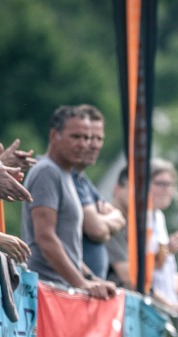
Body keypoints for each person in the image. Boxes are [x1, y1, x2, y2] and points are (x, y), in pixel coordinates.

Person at [21, 105, 116, 299]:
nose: (84, 144)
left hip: (62, 291)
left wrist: (91, 278)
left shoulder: (66, 174)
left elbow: (67, 247)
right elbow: (45, 237)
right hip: (47, 291)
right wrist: (81, 283)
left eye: (88, 138)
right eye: (76, 136)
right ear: (54, 135)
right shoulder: (47, 172)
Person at [73, 105, 126, 278]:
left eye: (99, 139)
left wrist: (100, 221)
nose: (94, 145)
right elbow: (96, 230)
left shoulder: (84, 181)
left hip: (87, 290)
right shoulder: (67, 177)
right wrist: (100, 222)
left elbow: (119, 218)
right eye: (88, 138)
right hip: (68, 290)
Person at [148, 158, 178, 316]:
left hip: (165, 307)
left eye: (170, 185)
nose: (167, 190)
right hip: (151, 310)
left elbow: (162, 266)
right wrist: (168, 249)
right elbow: (139, 272)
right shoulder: (140, 219)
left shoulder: (158, 217)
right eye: (160, 184)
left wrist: (175, 277)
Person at [105, 167, 131, 287]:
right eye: (133, 188)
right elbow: (127, 276)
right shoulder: (109, 219)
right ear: (117, 189)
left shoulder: (132, 227)